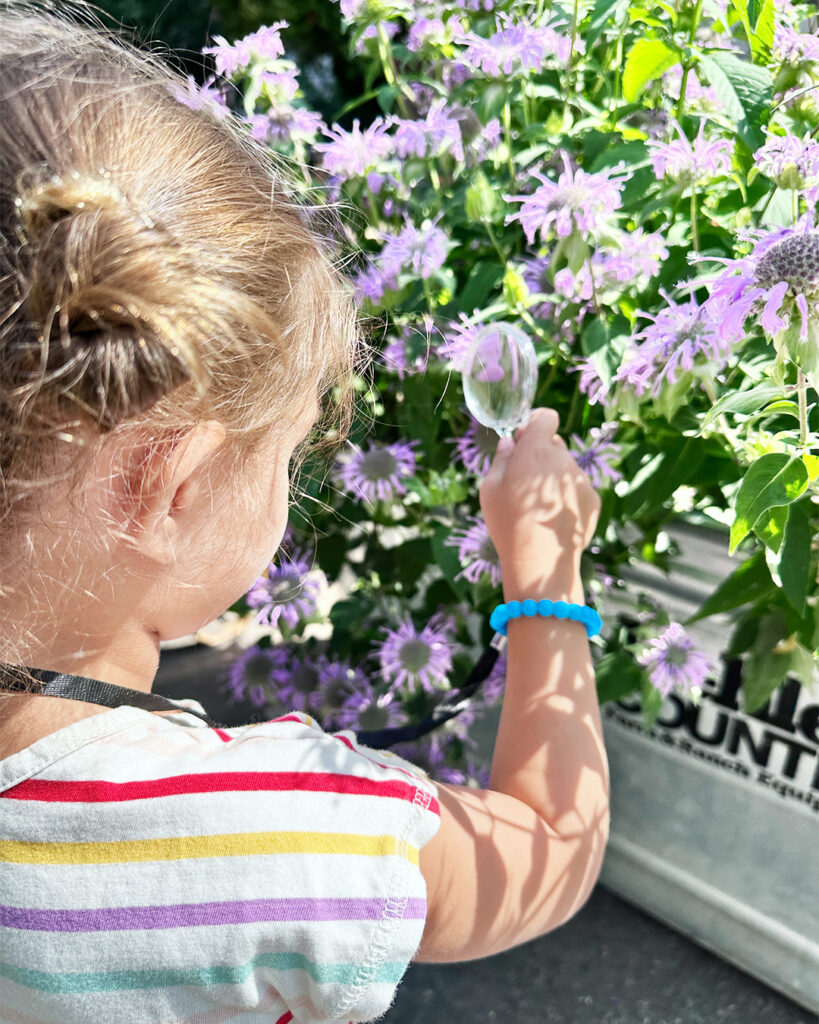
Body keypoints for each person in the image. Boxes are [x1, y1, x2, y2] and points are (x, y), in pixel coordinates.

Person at [0, 2, 609, 1022]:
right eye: (288, 453)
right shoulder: (273, 834)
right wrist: (545, 570)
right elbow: (551, 843)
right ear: (171, 484)